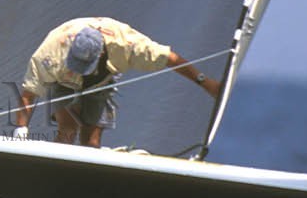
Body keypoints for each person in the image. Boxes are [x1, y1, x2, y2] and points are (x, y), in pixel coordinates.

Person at [14, 17, 222, 147]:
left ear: (103, 51)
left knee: (91, 141)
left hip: (101, 82)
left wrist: (205, 82)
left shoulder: (127, 45)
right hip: (64, 82)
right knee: (67, 132)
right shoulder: (50, 52)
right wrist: (21, 130)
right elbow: (29, 93)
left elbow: (171, 59)